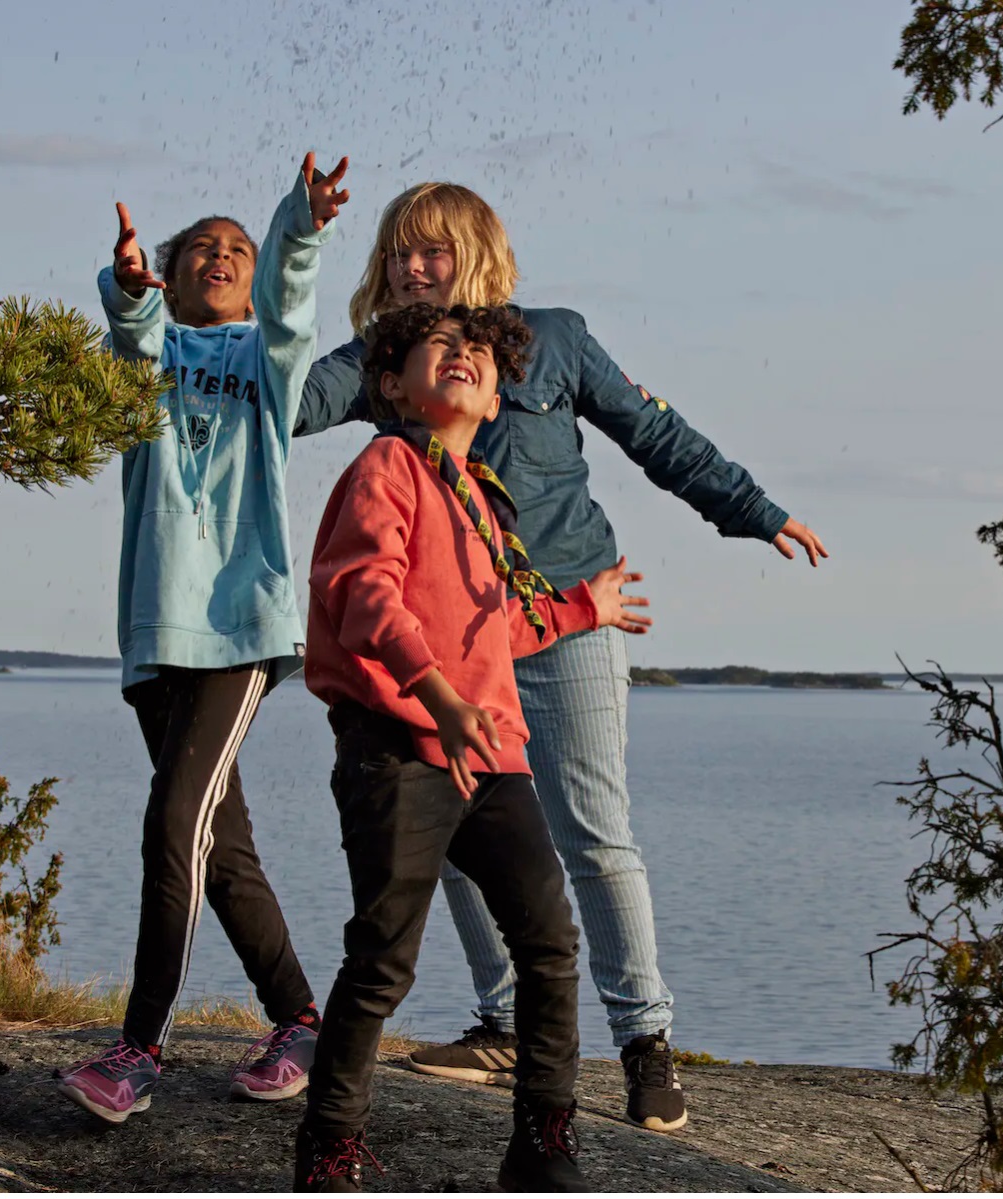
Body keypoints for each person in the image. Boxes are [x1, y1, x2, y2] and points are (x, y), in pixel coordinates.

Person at [293, 182, 828, 1132]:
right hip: (448, 642)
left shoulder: (555, 338)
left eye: (433, 252)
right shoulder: (384, 360)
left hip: (567, 619)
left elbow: (655, 433)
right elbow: (288, 401)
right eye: (398, 255)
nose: (413, 270)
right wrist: (205, 367)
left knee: (591, 830)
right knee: (450, 844)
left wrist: (755, 511)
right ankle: (504, 1022)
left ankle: (644, 1041)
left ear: (477, 251)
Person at [294, 303, 653, 1192]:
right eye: (439, 347)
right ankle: (328, 1148)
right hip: (399, 747)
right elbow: (362, 593)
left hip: (491, 756)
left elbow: (497, 636)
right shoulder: (388, 464)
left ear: (496, 400)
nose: (464, 357)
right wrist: (436, 697)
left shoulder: (485, 503)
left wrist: (582, 611)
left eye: (480, 355)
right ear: (391, 386)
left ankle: (544, 1141)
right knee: (384, 956)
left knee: (548, 940)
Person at [55, 152, 351, 1124]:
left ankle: (138, 1048)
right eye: (202, 248)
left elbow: (292, 301)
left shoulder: (267, 360)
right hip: (154, 633)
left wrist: (298, 229)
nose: (221, 257)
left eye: (239, 249)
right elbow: (132, 330)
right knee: (221, 847)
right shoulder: (144, 364)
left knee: (172, 822)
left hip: (238, 630)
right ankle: (302, 1019)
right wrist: (126, 288)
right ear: (173, 271)